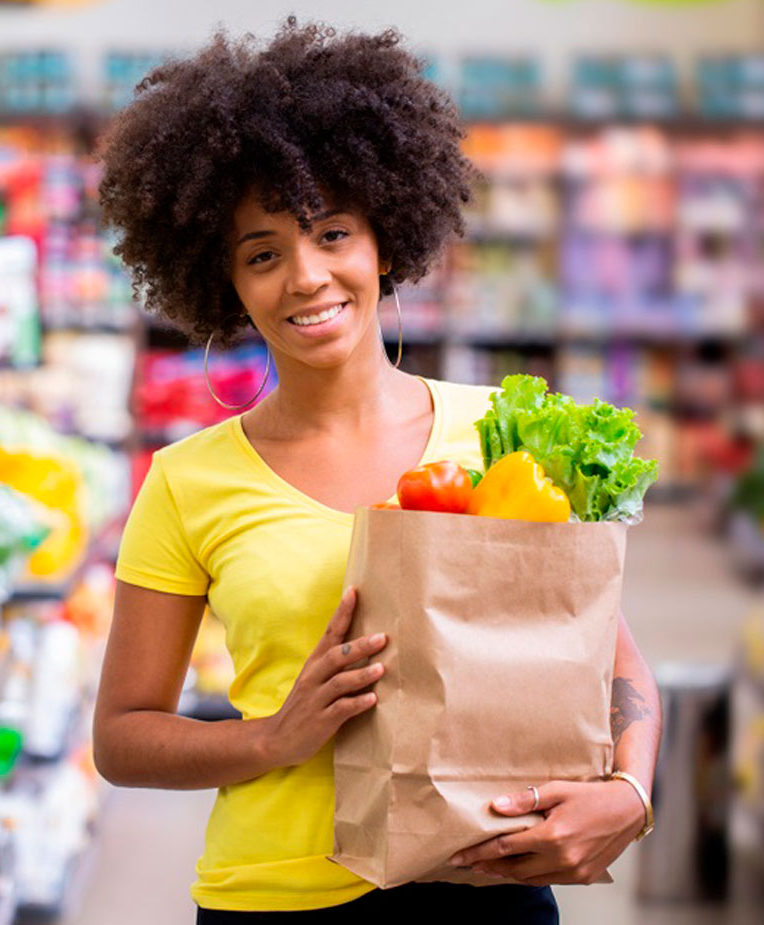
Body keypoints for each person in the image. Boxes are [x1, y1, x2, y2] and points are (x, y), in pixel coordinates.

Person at [92, 16, 662, 923]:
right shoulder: (185, 481)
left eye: (331, 234)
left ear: (385, 241)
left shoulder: (504, 432)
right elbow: (122, 739)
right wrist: (274, 738)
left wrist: (630, 793)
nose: (308, 277)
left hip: (487, 879)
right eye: (263, 253)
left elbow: (613, 659)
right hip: (273, 900)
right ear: (224, 281)